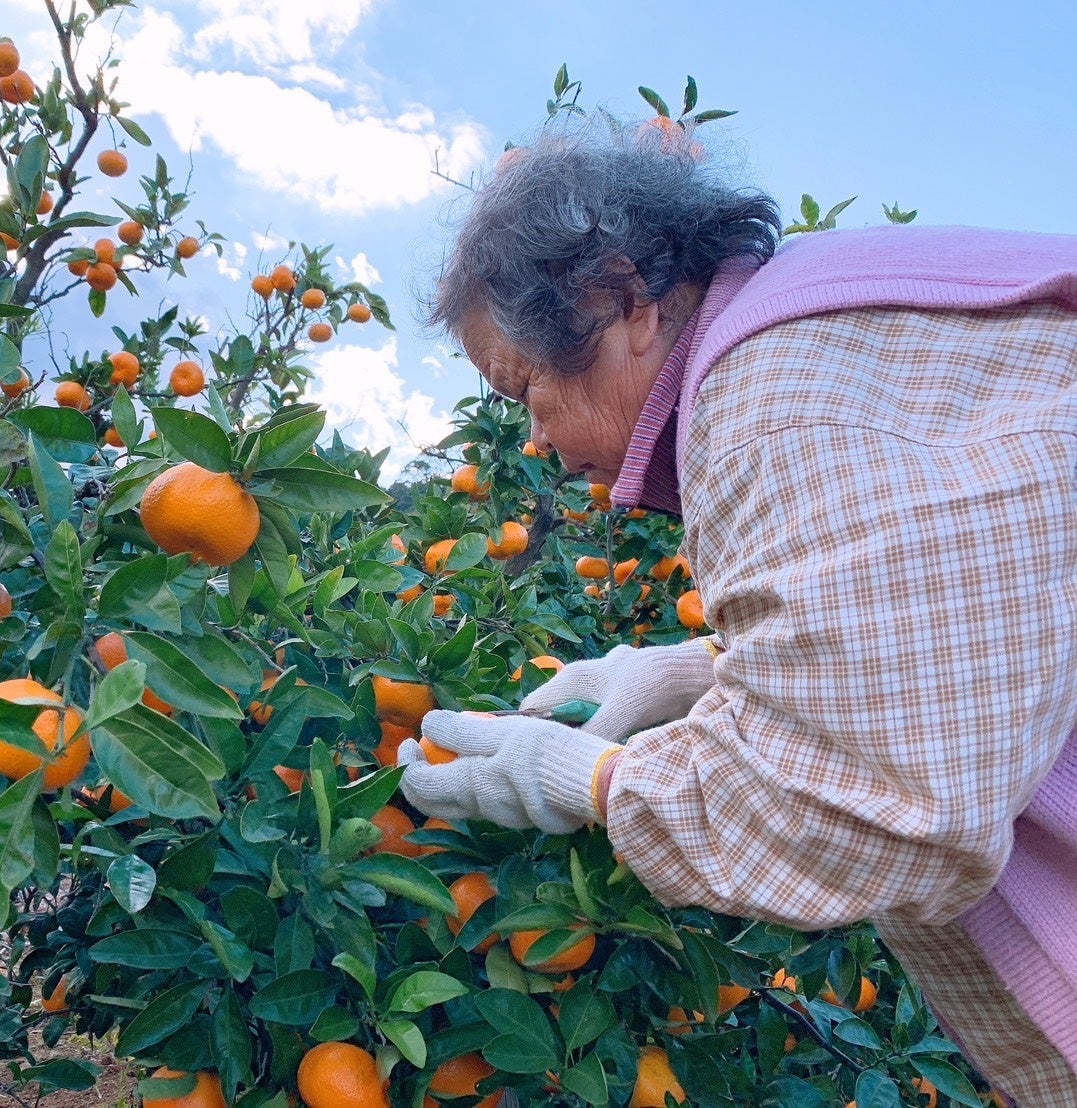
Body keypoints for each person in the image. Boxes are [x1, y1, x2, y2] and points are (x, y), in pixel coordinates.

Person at [398, 117, 1077, 1105]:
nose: (535, 437)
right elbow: (960, 627)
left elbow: (885, 808)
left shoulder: (768, 397)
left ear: (620, 298)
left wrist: (596, 784)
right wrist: (699, 670)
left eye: (525, 387)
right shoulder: (813, 332)